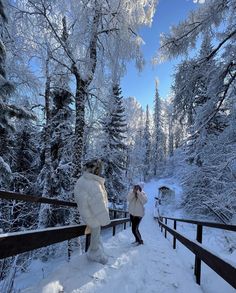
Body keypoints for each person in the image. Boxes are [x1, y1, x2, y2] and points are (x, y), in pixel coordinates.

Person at [74, 159, 111, 264]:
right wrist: (105, 219)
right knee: (96, 231)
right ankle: (94, 254)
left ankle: (95, 251)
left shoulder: (81, 180)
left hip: (85, 213)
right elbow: (98, 204)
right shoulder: (93, 184)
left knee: (95, 233)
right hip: (92, 215)